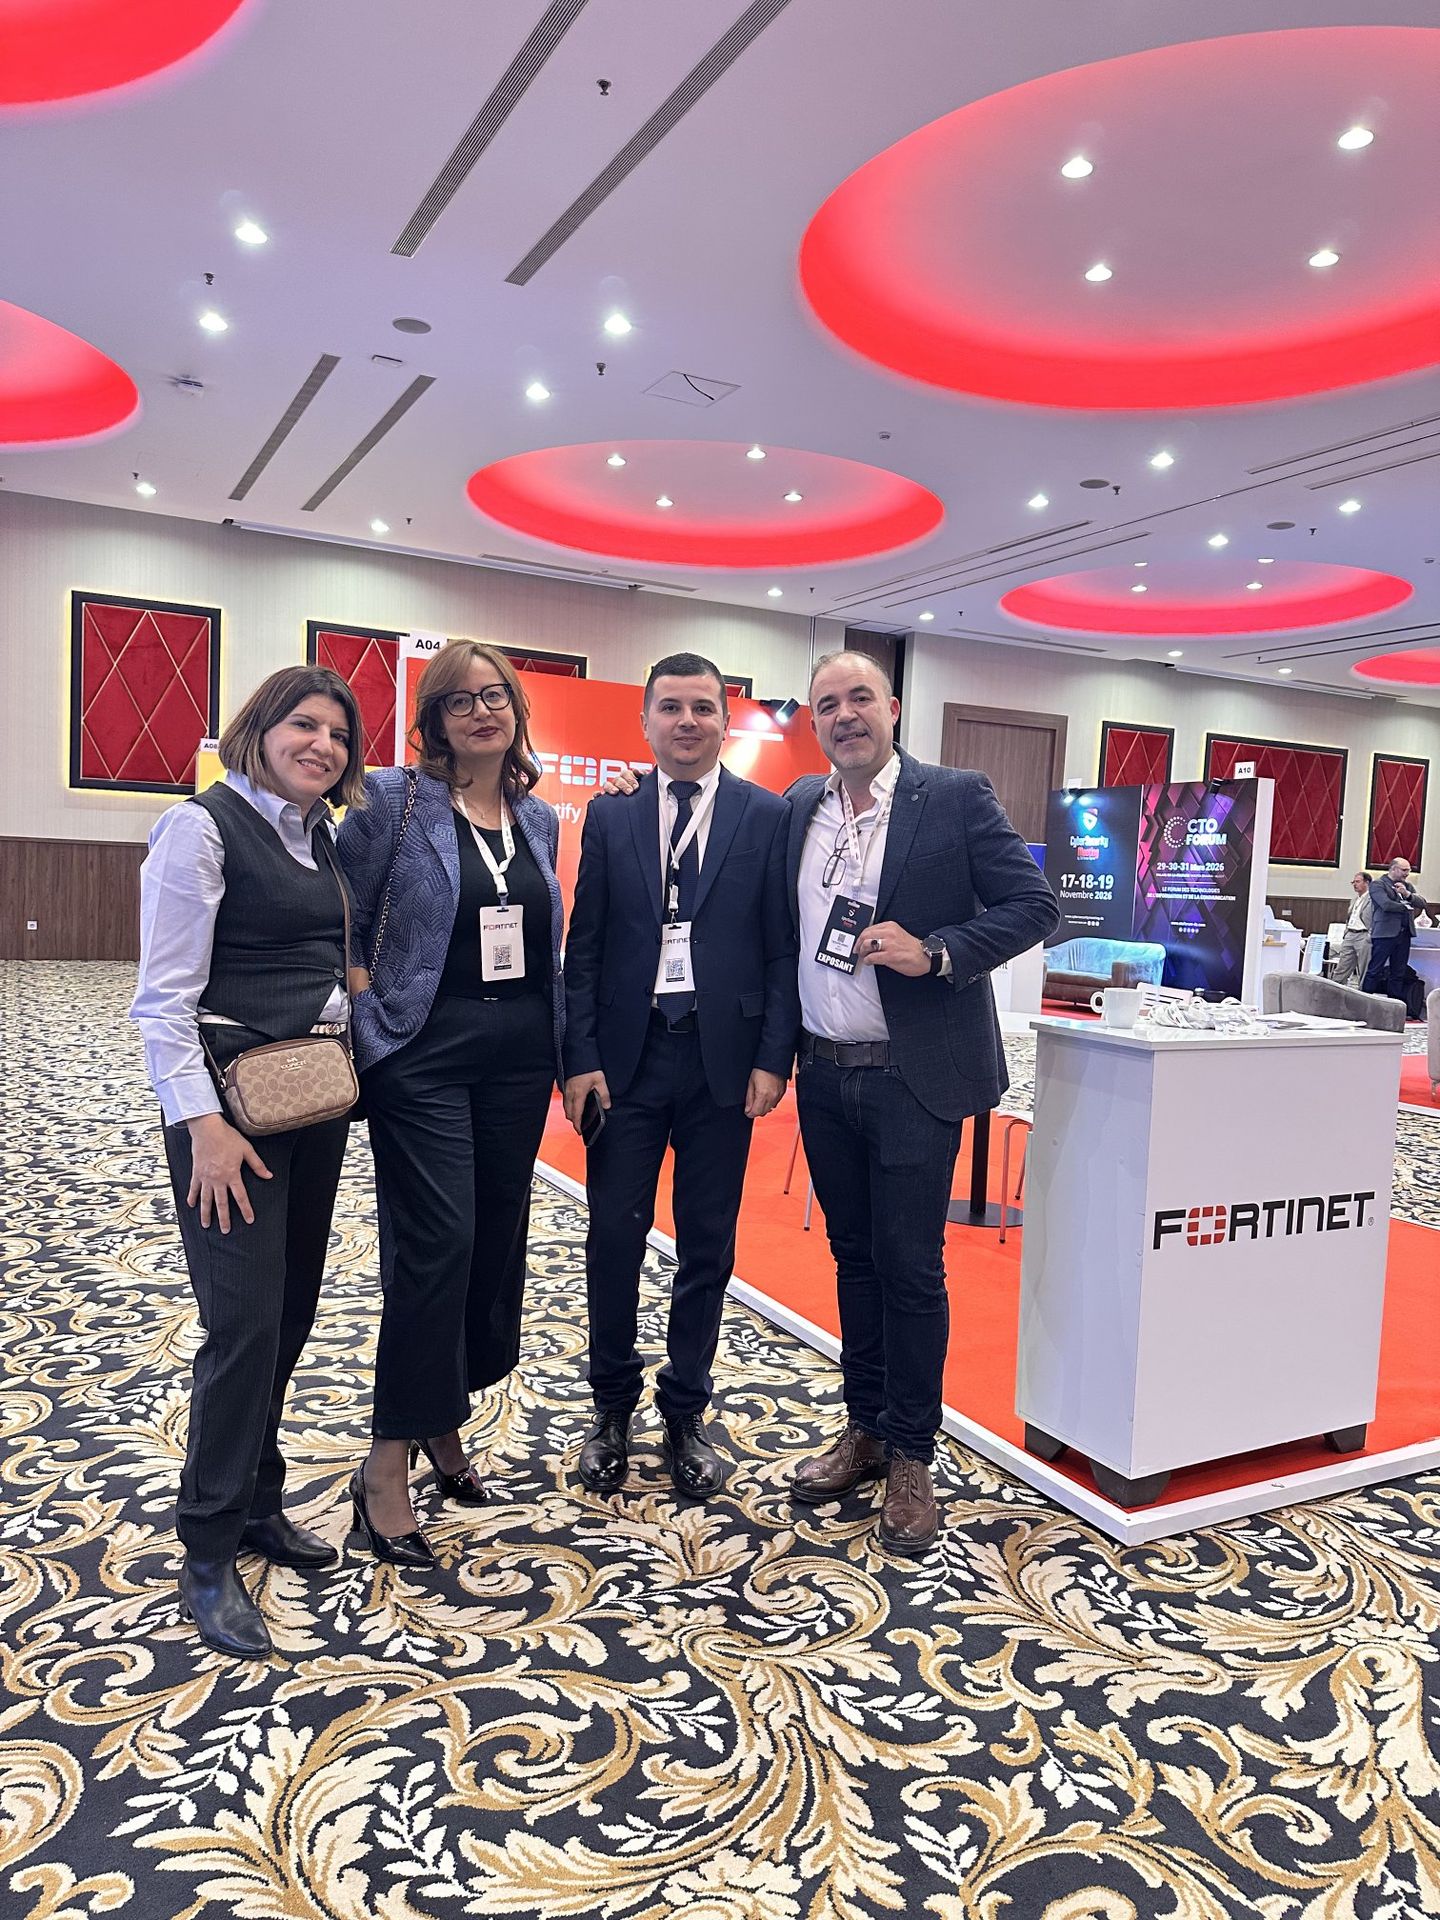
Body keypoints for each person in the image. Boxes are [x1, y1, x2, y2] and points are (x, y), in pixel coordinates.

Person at [785, 652, 1059, 1554]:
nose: (846, 715)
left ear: (893, 708)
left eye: (860, 698)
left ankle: (911, 1453)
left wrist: (937, 951)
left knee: (909, 1268)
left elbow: (1034, 906)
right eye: (828, 704)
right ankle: (864, 1428)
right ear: (814, 722)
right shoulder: (801, 806)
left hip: (914, 1076)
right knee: (854, 1261)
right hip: (824, 1074)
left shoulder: (954, 796)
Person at [130, 665, 366, 1659]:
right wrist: (202, 1124)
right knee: (242, 1325)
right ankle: (208, 1543)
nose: (322, 745)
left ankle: (261, 1500)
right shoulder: (201, 828)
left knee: (292, 1311)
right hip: (229, 1117)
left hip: (308, 1099)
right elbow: (161, 1000)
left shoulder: (319, 834)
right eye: (303, 725)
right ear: (259, 729)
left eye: (338, 734)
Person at [336, 642, 564, 1565]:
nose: (481, 712)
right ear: (431, 719)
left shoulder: (538, 816)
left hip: (518, 1065)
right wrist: (366, 1009)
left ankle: (442, 1420)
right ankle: (385, 1464)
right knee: (438, 1246)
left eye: (495, 696)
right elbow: (342, 914)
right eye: (460, 701)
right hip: (420, 1056)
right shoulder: (391, 802)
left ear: (516, 710)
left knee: (492, 1245)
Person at [562, 652, 799, 1499]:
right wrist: (579, 1058)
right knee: (612, 1241)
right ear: (646, 721)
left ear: (725, 722)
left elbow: (780, 948)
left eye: (702, 707)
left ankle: (686, 1409)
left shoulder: (767, 815)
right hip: (625, 1064)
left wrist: (774, 1057)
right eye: (670, 707)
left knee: (707, 1244)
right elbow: (584, 947)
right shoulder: (612, 813)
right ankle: (610, 1410)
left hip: (721, 1064)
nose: (687, 721)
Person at [1363, 858, 1427, 1000]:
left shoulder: (1407, 886)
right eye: (1404, 870)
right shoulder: (1378, 884)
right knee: (1375, 970)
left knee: (1398, 972)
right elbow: (1386, 905)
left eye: (1409, 870)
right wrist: (1407, 906)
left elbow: (1422, 903)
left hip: (1404, 934)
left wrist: (1407, 895)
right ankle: (1365, 1002)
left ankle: (1394, 1005)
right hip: (1384, 934)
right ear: (1393, 869)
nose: (1407, 873)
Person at [1330, 871, 1373, 987]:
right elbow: (1349, 917)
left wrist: (1370, 934)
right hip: (1350, 933)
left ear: (1366, 883)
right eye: (1353, 882)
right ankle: (1335, 987)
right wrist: (1346, 932)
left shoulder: (1373, 899)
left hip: (1363, 934)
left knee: (1363, 966)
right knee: (1343, 964)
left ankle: (1363, 990)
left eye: (1357, 881)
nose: (1354, 884)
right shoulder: (1354, 899)